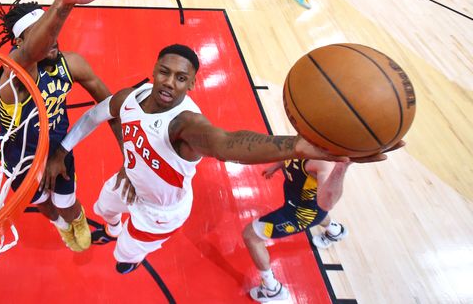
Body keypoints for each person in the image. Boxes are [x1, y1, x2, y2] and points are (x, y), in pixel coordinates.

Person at [44, 44, 395, 275]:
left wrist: (297, 146)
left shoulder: (187, 124)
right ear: (154, 69)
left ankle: (131, 254)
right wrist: (63, 151)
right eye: (164, 72)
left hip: (161, 210)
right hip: (128, 181)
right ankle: (115, 225)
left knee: (124, 255)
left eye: (181, 78)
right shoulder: (131, 97)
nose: (169, 83)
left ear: (192, 84)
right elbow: (95, 115)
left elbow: (227, 144)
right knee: (105, 210)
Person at [0, 0, 124, 252]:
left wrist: (128, 157)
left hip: (57, 145)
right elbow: (32, 52)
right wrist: (63, 4)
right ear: (19, 42)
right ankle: (59, 224)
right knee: (43, 204)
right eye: (38, 32)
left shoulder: (73, 64)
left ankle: (73, 220)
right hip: (19, 157)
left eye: (49, 28)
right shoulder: (14, 76)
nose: (50, 37)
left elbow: (111, 108)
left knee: (68, 203)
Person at [242, 159, 352, 302]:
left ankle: (271, 289)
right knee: (315, 211)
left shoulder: (325, 164)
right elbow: (291, 152)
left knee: (250, 236)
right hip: (302, 204)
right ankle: (336, 232)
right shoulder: (306, 140)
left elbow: (327, 203)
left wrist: (341, 168)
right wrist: (277, 166)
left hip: (299, 216)